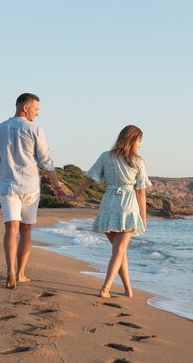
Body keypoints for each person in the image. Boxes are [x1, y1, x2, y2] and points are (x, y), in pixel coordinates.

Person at [0, 93, 66, 289]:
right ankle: (21, 273)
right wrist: (57, 187)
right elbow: (46, 162)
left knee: (10, 229)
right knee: (26, 229)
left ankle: (10, 271)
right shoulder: (35, 129)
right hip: (30, 187)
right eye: (36, 109)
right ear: (25, 108)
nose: (37, 114)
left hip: (7, 186)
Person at [64, 125, 152, 298]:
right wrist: (143, 216)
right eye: (139, 141)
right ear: (132, 140)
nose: (140, 145)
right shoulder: (138, 161)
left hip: (108, 204)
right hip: (127, 206)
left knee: (119, 251)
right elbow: (141, 191)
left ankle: (128, 289)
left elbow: (90, 178)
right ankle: (106, 288)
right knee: (119, 251)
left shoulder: (106, 157)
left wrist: (75, 195)